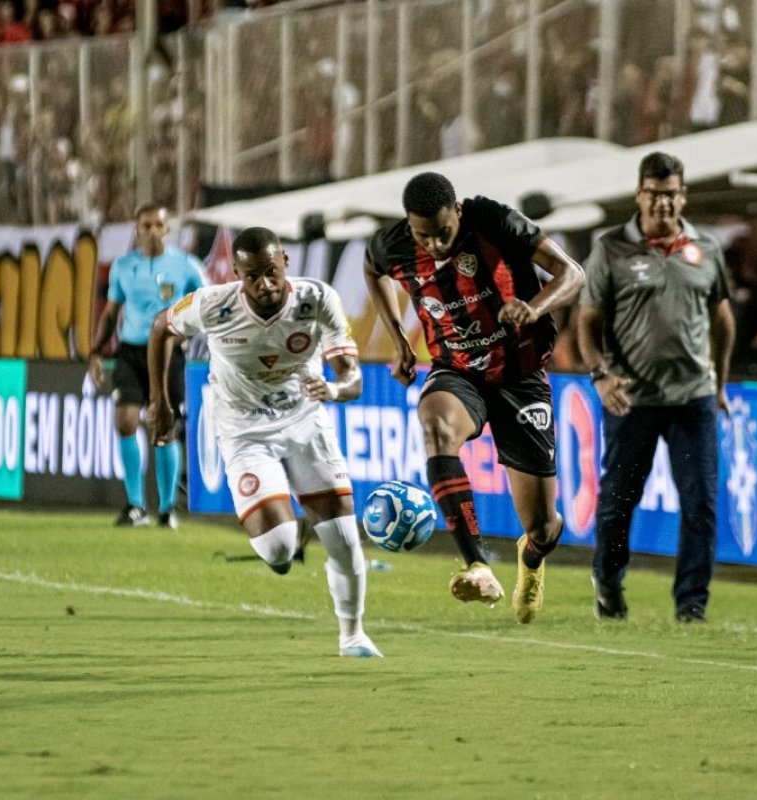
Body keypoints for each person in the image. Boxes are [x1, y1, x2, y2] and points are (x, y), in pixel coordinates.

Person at [146, 227, 380, 658]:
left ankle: (352, 635)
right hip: (243, 431)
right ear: (237, 273)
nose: (264, 284)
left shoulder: (317, 299)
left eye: (271, 272)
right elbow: (162, 328)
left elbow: (352, 375)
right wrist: (159, 401)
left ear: (285, 262)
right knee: (278, 549)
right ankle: (286, 527)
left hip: (306, 424)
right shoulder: (213, 305)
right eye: (252, 276)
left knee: (345, 539)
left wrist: (336, 389)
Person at [363, 172, 585, 624]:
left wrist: (534, 306)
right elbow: (373, 269)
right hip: (457, 370)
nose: (436, 244)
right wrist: (400, 342)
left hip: (520, 376)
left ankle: (532, 558)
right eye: (424, 235)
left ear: (458, 212)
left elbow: (572, 273)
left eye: (443, 232)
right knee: (435, 427)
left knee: (543, 527)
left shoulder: (493, 220)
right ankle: (476, 562)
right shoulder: (395, 244)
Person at [577, 151, 736, 624]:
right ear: (639, 194)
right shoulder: (611, 248)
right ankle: (607, 580)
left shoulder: (707, 246)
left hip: (693, 396)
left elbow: (722, 319)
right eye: (654, 193)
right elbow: (586, 321)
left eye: (671, 194)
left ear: (682, 195)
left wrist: (720, 384)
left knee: (702, 504)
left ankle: (692, 604)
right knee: (618, 502)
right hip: (633, 397)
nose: (663, 202)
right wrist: (600, 375)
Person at [88, 203, 205, 529]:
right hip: (130, 350)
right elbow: (111, 312)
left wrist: (185, 333)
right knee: (125, 420)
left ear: (167, 229)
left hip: (168, 352)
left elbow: (206, 306)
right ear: (137, 229)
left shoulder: (186, 266)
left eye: (158, 225)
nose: (152, 231)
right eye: (146, 225)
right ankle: (136, 505)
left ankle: (167, 508)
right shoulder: (123, 267)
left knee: (163, 427)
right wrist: (97, 351)